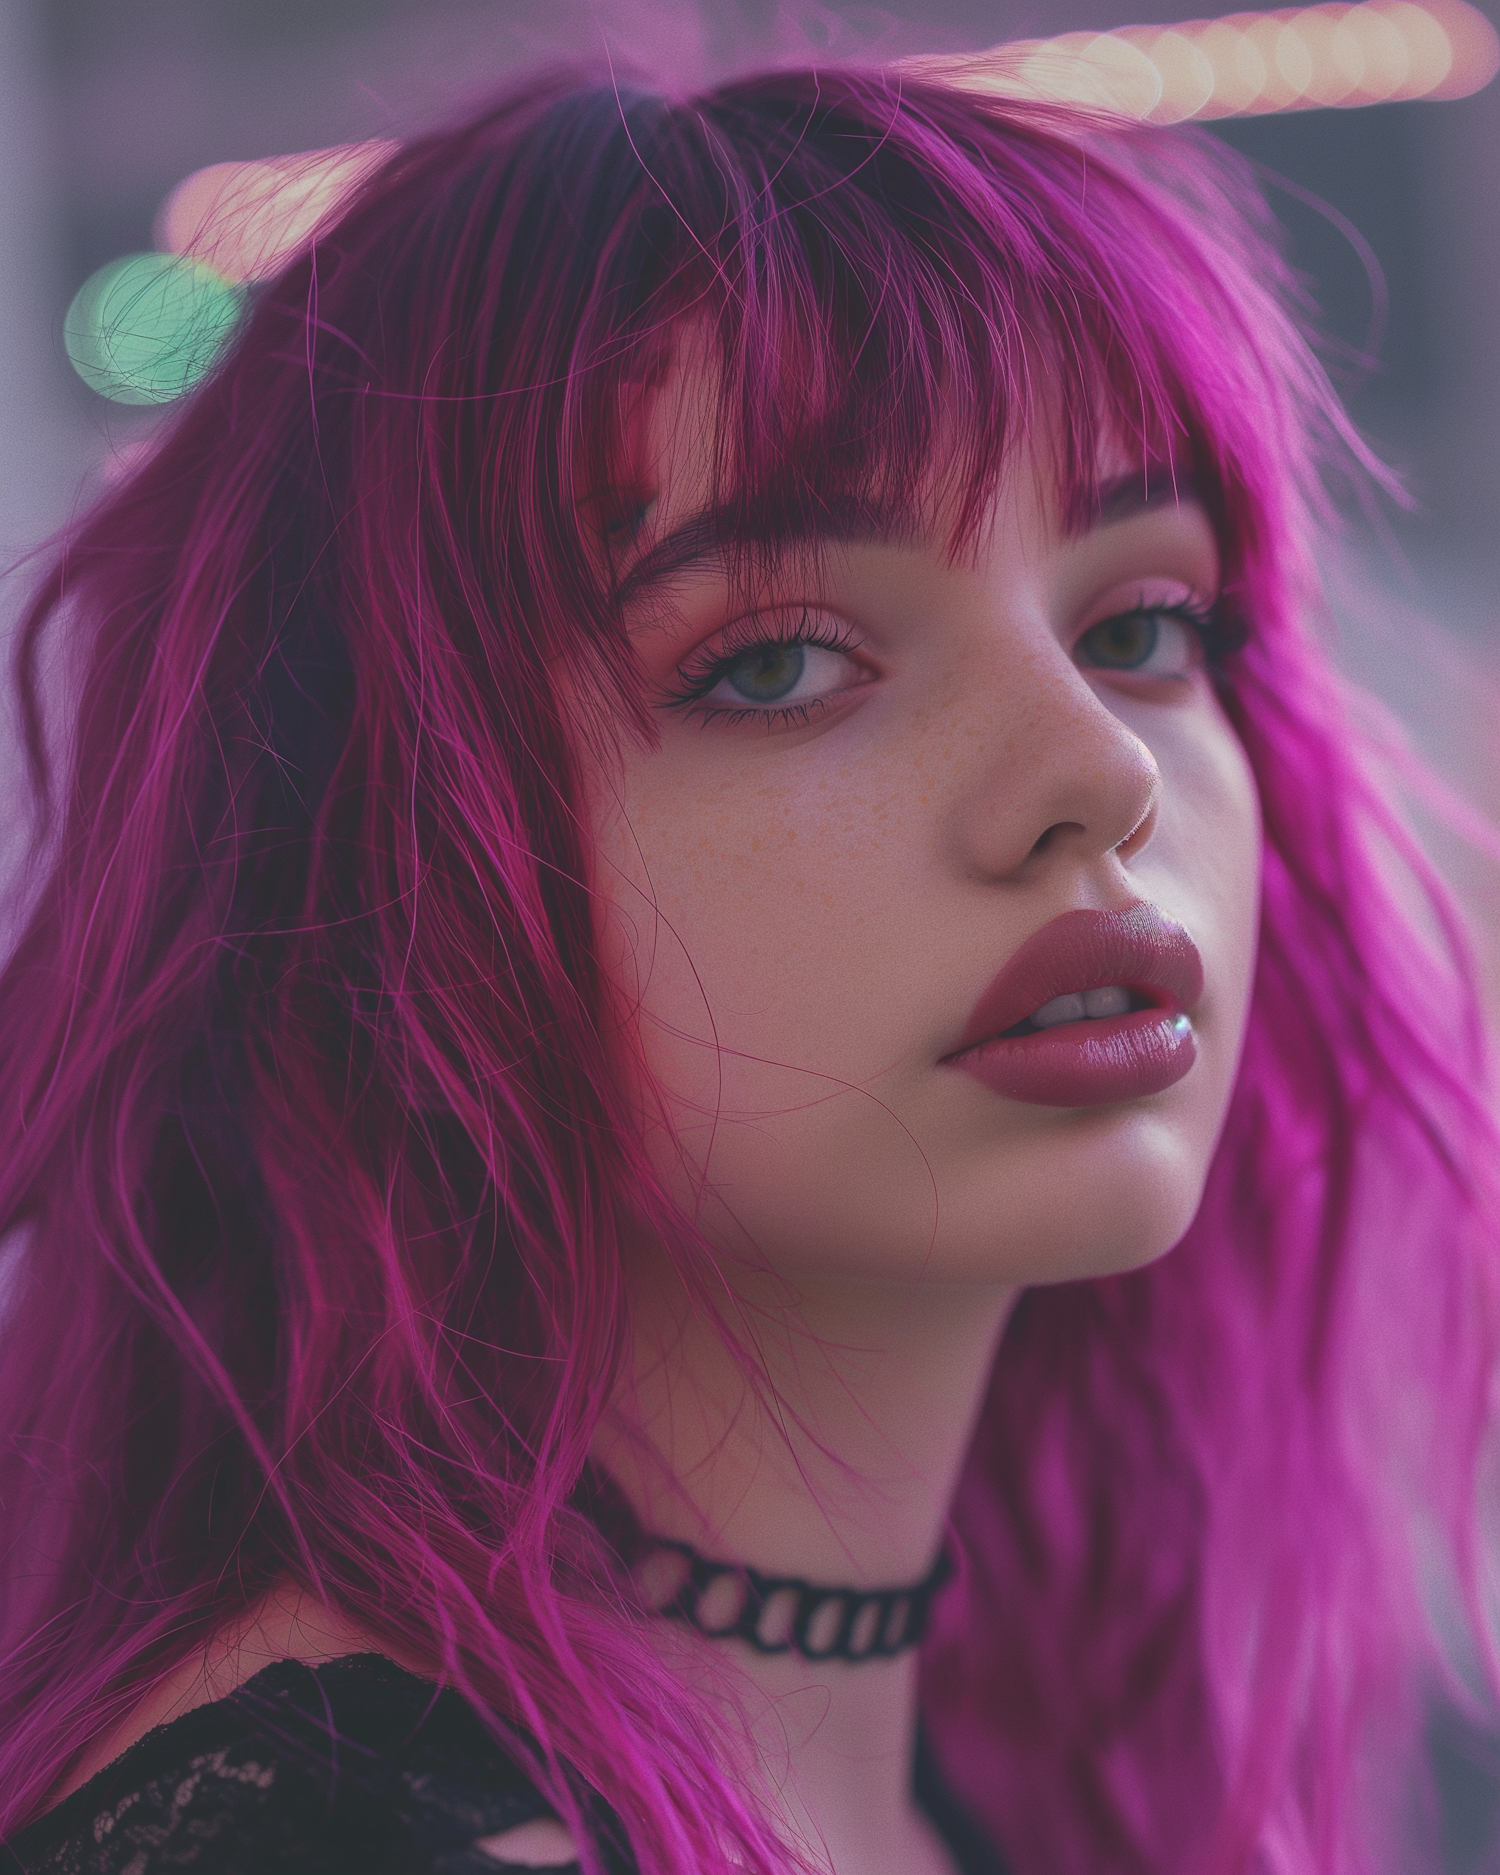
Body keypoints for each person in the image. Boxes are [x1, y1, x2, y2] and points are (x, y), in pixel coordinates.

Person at [0, 57, 1495, 1875]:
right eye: (778, 661)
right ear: (381, 865)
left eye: (1142, 622)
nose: (1097, 770)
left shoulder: (1018, 1754)